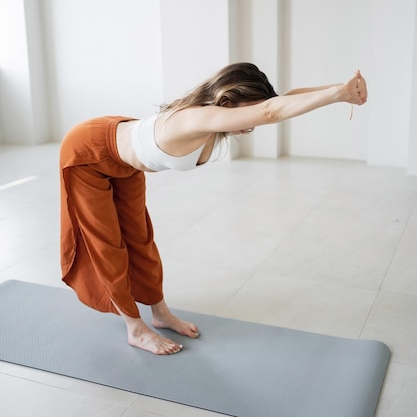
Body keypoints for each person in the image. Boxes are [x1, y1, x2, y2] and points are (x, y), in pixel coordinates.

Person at [60, 63, 367, 355]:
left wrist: (341, 89)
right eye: (251, 110)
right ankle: (134, 328)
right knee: (107, 245)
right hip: (90, 152)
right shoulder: (196, 118)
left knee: (140, 239)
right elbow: (271, 111)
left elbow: (279, 101)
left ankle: (160, 313)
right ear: (226, 102)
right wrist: (339, 95)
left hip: (123, 160)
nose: (254, 121)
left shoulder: (219, 116)